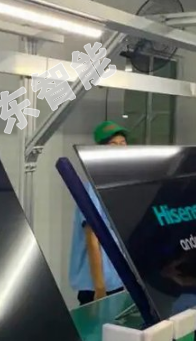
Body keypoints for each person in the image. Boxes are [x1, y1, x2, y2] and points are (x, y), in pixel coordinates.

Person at [69, 121, 127, 305]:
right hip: (97, 287)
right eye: (113, 144)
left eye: (123, 143)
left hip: (118, 280)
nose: (120, 148)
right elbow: (92, 239)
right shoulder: (92, 189)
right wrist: (100, 288)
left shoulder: (118, 187)